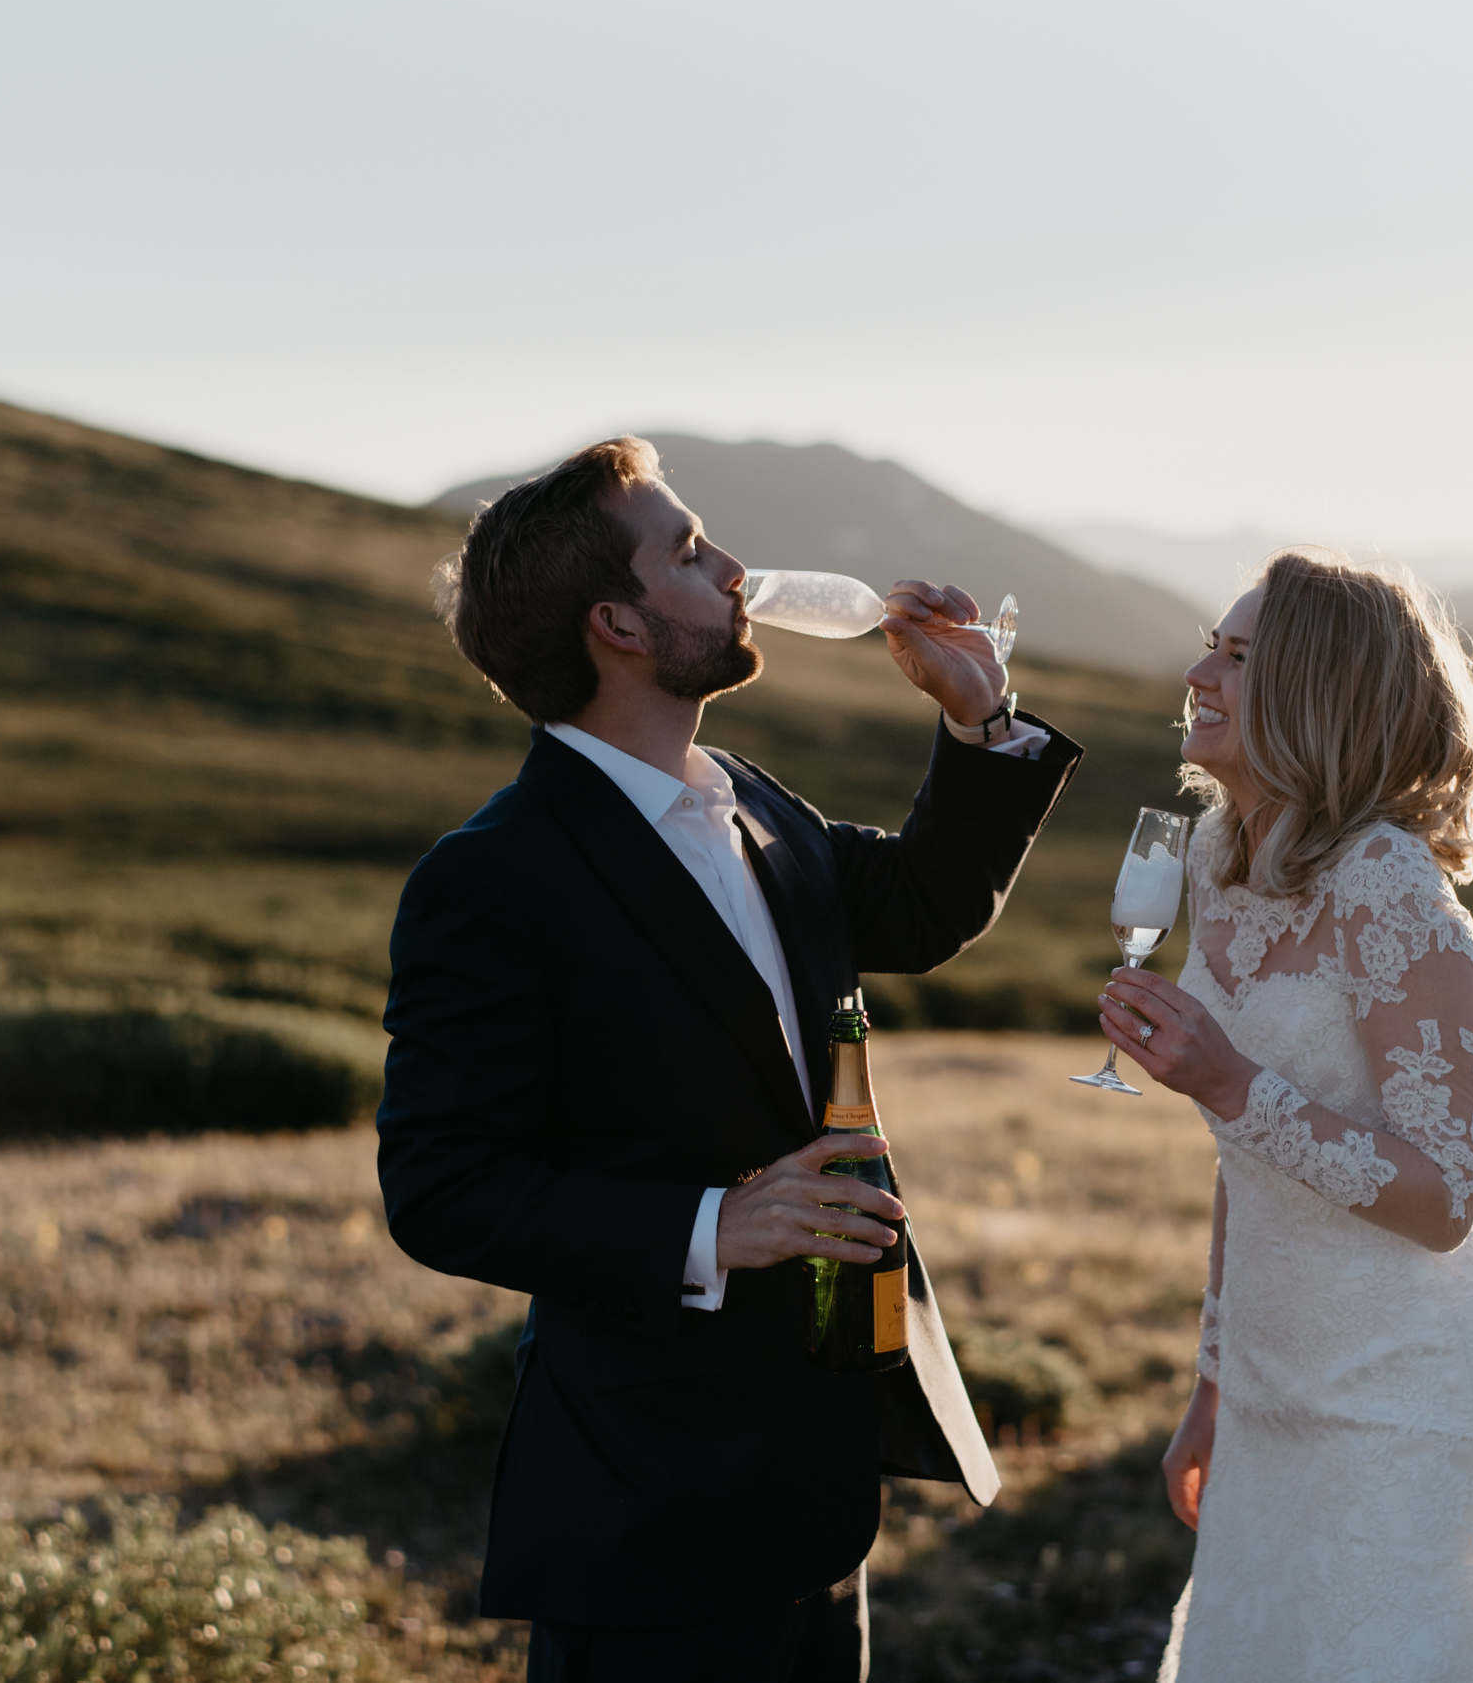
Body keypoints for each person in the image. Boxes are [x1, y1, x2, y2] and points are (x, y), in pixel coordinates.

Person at [375, 437, 1083, 1682]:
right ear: (620, 625)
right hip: (645, 1508)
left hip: (813, 1489)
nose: (735, 568)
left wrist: (980, 723)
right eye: (691, 552)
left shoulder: (754, 801)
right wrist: (715, 1223)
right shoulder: (491, 879)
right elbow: (442, 1187)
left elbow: (919, 908)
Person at [1096, 550, 1473, 1680]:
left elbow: (1442, 1196)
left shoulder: (1389, 887)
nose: (1198, 671)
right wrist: (1213, 1384)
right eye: (1209, 645)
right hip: (1275, 1402)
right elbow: (1248, 1164)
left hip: (1402, 1413)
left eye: (1235, 655)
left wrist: (1230, 1078)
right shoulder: (1222, 859)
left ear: (1314, 692)